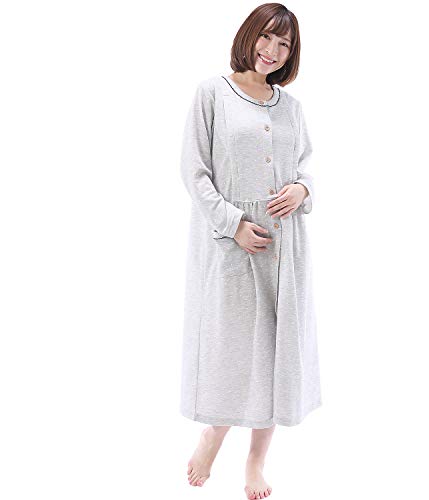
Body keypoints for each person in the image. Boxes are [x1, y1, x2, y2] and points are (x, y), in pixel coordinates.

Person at [179, 3, 322, 498]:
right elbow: (194, 172)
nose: (272, 50)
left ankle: (256, 461)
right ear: (249, 36)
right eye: (266, 37)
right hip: (233, 247)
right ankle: (213, 435)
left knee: (277, 354)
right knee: (231, 351)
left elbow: (305, 167)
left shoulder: (292, 107)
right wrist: (233, 224)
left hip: (287, 246)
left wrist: (303, 190)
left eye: (284, 44)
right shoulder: (212, 93)